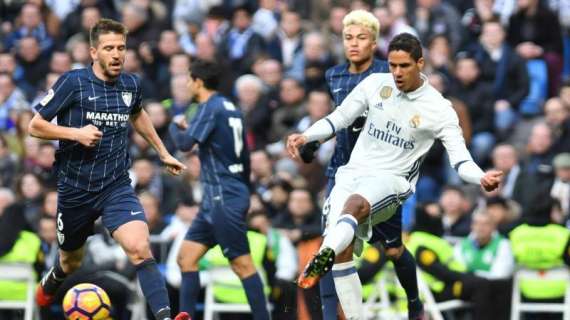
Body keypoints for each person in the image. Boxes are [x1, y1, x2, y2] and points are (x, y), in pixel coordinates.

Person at [287, 33, 503, 320]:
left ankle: (325, 252)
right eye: (392, 65)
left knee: (355, 209)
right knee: (343, 251)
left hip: (392, 180)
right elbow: (340, 117)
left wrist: (481, 178)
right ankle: (350, 306)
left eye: (404, 66)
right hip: (353, 172)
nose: (397, 73)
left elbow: (460, 160)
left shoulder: (438, 108)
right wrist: (306, 135)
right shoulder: (376, 84)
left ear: (420, 63)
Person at [28, 19, 189, 320]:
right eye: (109, 48)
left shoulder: (131, 85)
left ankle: (167, 316)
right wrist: (76, 134)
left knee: (141, 248)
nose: (116, 54)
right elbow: (35, 125)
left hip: (115, 186)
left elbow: (138, 114)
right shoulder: (73, 82)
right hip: (75, 189)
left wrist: (163, 152)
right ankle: (52, 281)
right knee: (70, 262)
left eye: (121, 48)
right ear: (93, 52)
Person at [299, 10, 389, 319]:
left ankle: (414, 307)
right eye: (348, 38)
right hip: (340, 170)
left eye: (361, 38)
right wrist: (311, 142)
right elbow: (338, 120)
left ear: (375, 43)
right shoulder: (333, 75)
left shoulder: (387, 76)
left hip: (378, 173)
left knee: (394, 249)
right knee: (332, 245)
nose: (353, 44)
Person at [169, 59, 270, 320]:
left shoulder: (209, 107)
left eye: (190, 79)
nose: (188, 84)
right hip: (225, 195)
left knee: (243, 264)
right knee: (186, 258)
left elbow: (184, 144)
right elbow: (245, 156)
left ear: (199, 82)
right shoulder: (231, 108)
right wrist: (245, 192)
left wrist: (174, 125)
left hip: (223, 196)